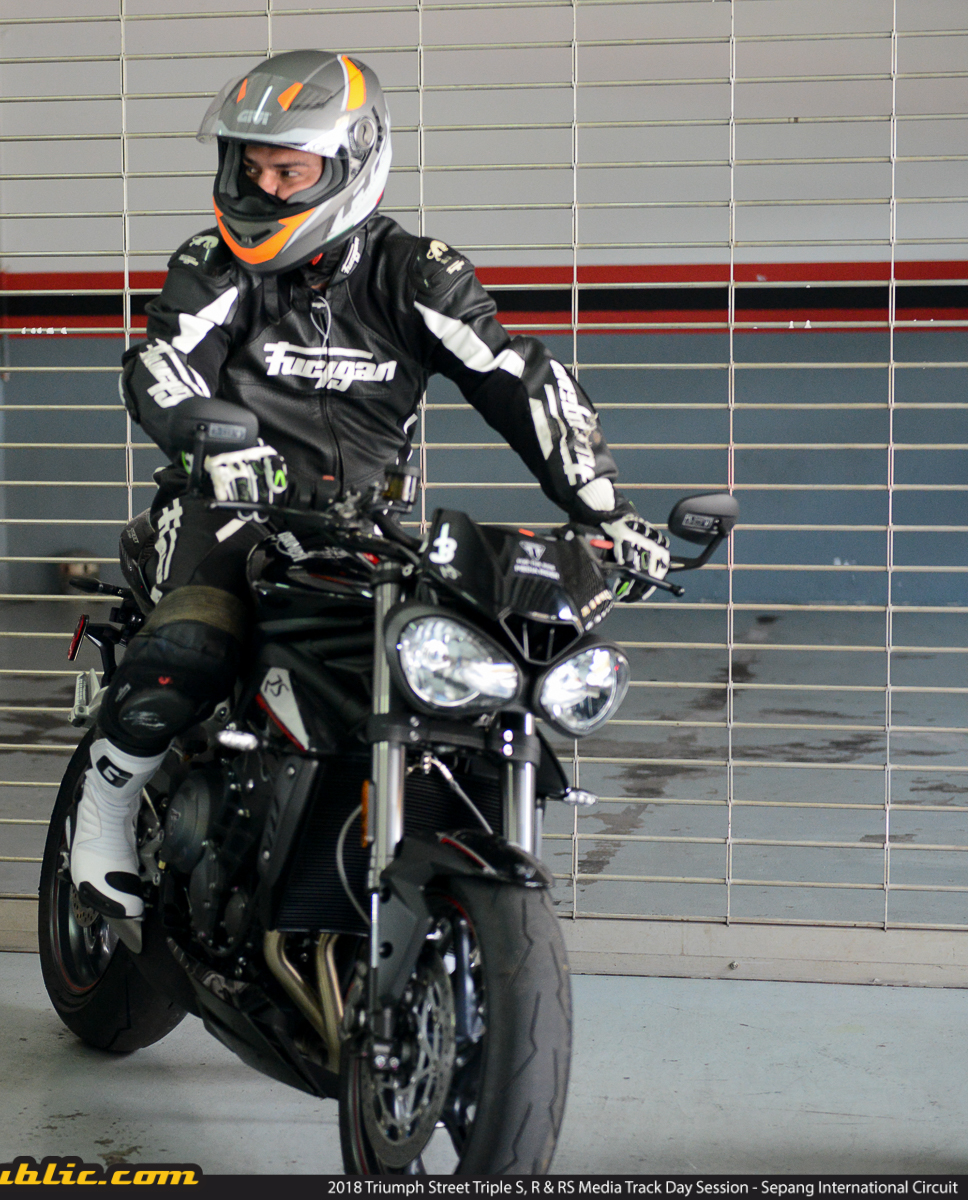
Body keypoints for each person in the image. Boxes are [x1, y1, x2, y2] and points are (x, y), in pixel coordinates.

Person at [69, 49, 671, 920]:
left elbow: (518, 380)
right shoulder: (214, 263)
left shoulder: (416, 273)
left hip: (363, 530)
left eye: (290, 171)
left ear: (354, 165)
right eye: (254, 167)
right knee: (193, 644)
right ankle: (104, 812)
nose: (266, 187)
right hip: (223, 509)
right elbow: (162, 363)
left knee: (454, 667)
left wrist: (605, 510)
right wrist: (210, 441)